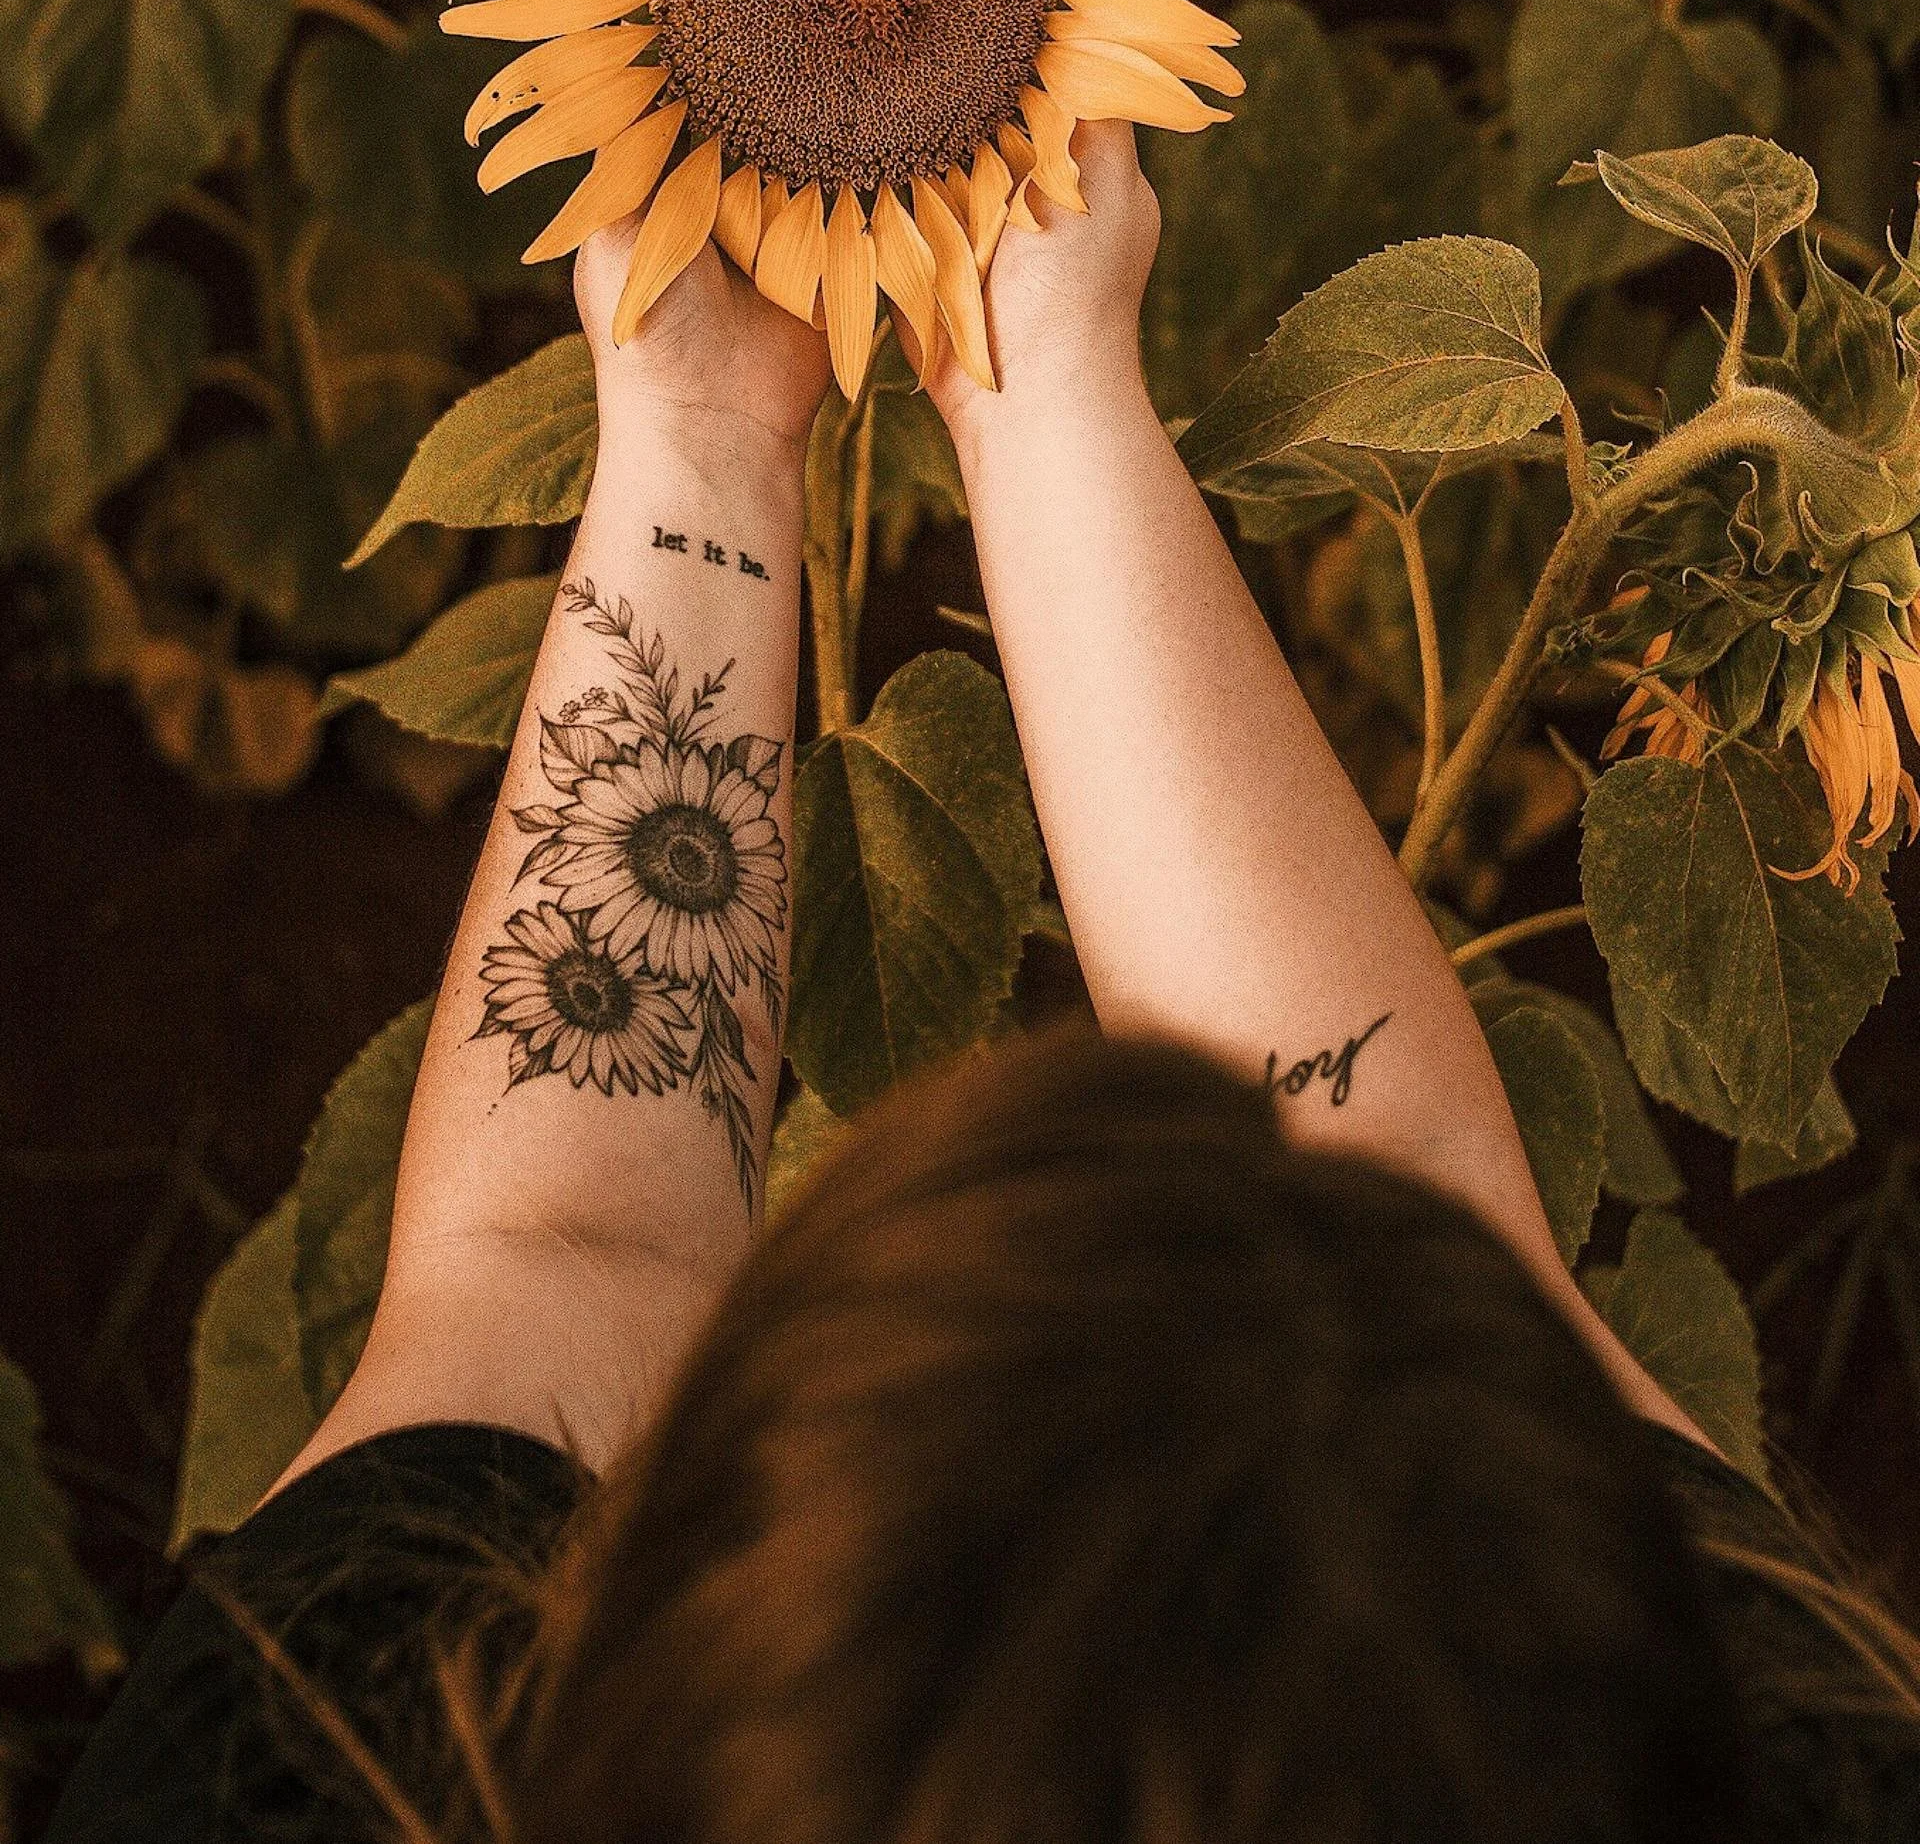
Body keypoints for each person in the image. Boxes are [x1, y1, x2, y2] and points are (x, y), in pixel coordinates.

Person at [50, 126, 1920, 1844]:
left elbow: (563, 1251)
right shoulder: (1777, 1756)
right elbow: (1402, 1157)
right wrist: (1040, 396)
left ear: (683, 1629)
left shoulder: (312, 1762)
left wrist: (699, 426)